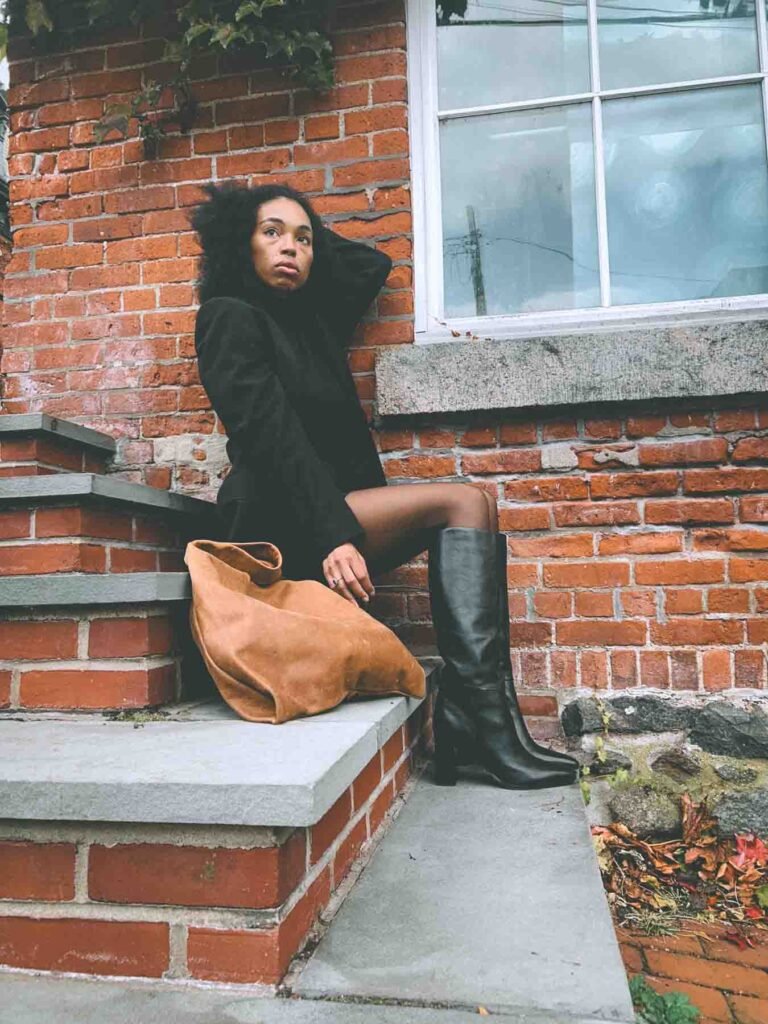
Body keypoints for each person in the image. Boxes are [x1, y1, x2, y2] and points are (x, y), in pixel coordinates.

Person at [191, 181, 577, 791]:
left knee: (470, 505)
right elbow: (272, 439)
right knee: (464, 502)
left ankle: (479, 721)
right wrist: (333, 535)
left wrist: (298, 226)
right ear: (240, 244)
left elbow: (372, 264)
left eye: (303, 240)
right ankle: (482, 723)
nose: (290, 248)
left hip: (331, 512)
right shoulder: (229, 318)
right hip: (280, 520)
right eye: (271, 234)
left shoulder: (312, 322)